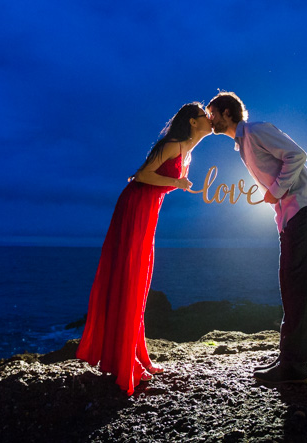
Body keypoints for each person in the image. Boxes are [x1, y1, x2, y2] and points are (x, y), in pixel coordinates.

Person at [76, 102, 211, 395]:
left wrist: (178, 183)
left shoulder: (187, 150)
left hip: (148, 210)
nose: (209, 119)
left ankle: (134, 354)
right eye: (205, 116)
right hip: (136, 207)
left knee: (139, 277)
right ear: (192, 121)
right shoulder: (173, 145)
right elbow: (142, 175)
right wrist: (177, 182)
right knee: (132, 275)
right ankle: (125, 360)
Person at [207, 91, 307, 385]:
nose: (209, 118)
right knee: (290, 283)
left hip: (303, 209)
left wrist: (275, 190)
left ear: (227, 113)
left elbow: (297, 155)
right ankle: (290, 359)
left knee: (296, 284)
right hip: (292, 215)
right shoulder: (243, 143)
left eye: (212, 113)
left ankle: (294, 366)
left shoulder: (256, 130)